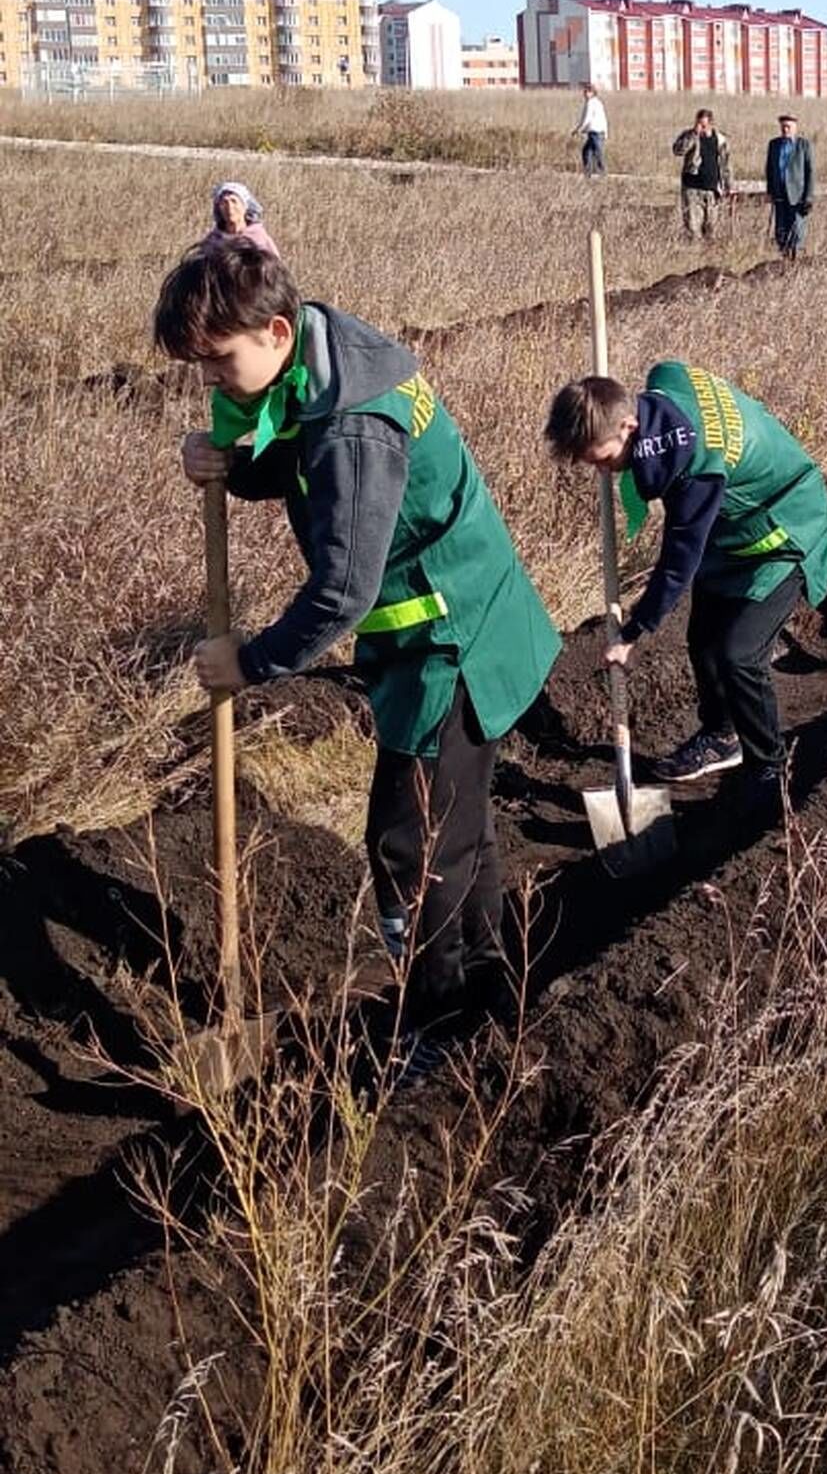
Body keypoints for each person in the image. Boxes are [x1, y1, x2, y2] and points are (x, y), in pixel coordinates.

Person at [155, 241, 561, 1045]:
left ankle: (436, 1019)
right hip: (453, 629)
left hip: (459, 642)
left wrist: (253, 660)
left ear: (274, 329)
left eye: (216, 359)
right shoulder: (321, 353)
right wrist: (233, 464)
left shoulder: (354, 424)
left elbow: (344, 590)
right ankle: (490, 997)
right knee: (461, 828)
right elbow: (301, 458)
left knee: (409, 843)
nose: (207, 379)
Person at [544, 364, 827, 803]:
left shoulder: (695, 469)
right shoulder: (665, 383)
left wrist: (634, 631)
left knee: (739, 657)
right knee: (702, 640)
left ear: (629, 426)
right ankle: (721, 738)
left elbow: (679, 560)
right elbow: (668, 377)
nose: (603, 472)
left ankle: (769, 769)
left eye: (603, 460)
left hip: (784, 530)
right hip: (733, 530)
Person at [672, 107, 732, 238]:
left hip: (712, 189)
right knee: (693, 228)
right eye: (698, 124)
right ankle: (694, 253)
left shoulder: (721, 140)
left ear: (711, 124)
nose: (701, 128)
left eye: (703, 126)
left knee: (712, 228)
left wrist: (728, 185)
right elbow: (678, 151)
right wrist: (693, 134)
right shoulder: (690, 136)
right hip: (692, 188)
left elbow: (725, 164)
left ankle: (710, 255)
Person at [764, 114, 815, 259]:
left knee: (797, 231)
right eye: (783, 127)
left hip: (797, 196)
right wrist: (769, 191)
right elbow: (769, 169)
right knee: (781, 230)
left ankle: (797, 260)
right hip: (779, 194)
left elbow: (810, 171)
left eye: (788, 127)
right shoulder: (774, 144)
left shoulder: (803, 145)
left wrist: (808, 197)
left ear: (795, 128)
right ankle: (783, 259)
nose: (785, 129)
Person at [203, 181, 280, 258]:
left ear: (245, 207)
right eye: (224, 202)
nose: (229, 207)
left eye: (234, 201)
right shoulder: (213, 240)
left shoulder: (259, 239)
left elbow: (274, 267)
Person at [573, 83, 608, 177]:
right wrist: (606, 131)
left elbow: (587, 119)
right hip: (596, 131)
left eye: (587, 91)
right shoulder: (597, 102)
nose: (584, 93)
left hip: (595, 131)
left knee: (597, 152)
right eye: (584, 91)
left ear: (592, 93)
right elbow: (604, 118)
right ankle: (588, 172)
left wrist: (579, 130)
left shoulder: (591, 103)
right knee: (587, 151)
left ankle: (602, 172)